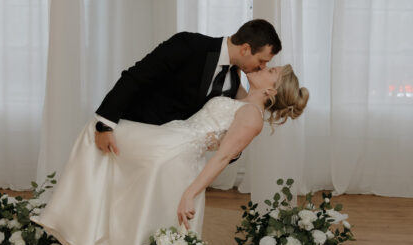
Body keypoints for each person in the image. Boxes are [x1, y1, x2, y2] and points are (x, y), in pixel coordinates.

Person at [34, 63, 309, 245]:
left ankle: (77, 227)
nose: (265, 66)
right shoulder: (243, 98)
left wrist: (190, 193)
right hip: (168, 140)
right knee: (110, 155)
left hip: (176, 158)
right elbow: (237, 68)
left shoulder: (252, 117)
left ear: (271, 91)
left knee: (104, 141)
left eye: (271, 71)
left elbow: (222, 158)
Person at [92, 19, 282, 157]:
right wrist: (105, 126)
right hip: (134, 135)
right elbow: (135, 77)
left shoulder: (233, 78)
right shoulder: (188, 45)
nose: (262, 67)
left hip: (173, 155)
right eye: (261, 61)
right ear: (245, 49)